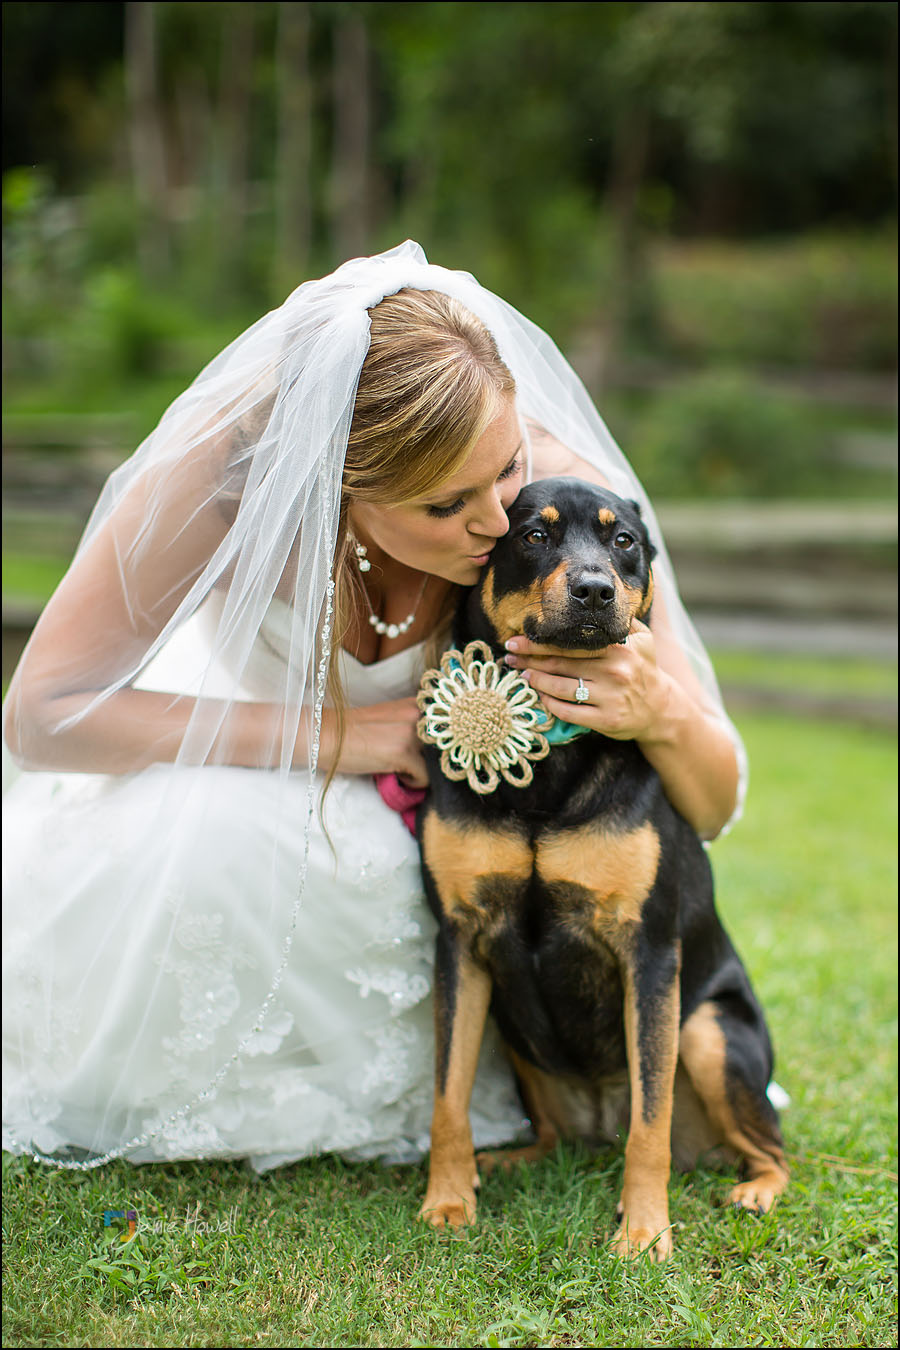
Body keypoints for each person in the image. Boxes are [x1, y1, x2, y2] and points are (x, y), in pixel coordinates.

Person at [1, 241, 744, 1173]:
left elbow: (711, 808)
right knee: (215, 848)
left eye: (505, 469)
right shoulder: (215, 493)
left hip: (472, 833)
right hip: (244, 766)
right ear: (338, 488)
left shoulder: (570, 521)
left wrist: (660, 711)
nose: (495, 523)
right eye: (444, 507)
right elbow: (43, 711)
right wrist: (342, 738)